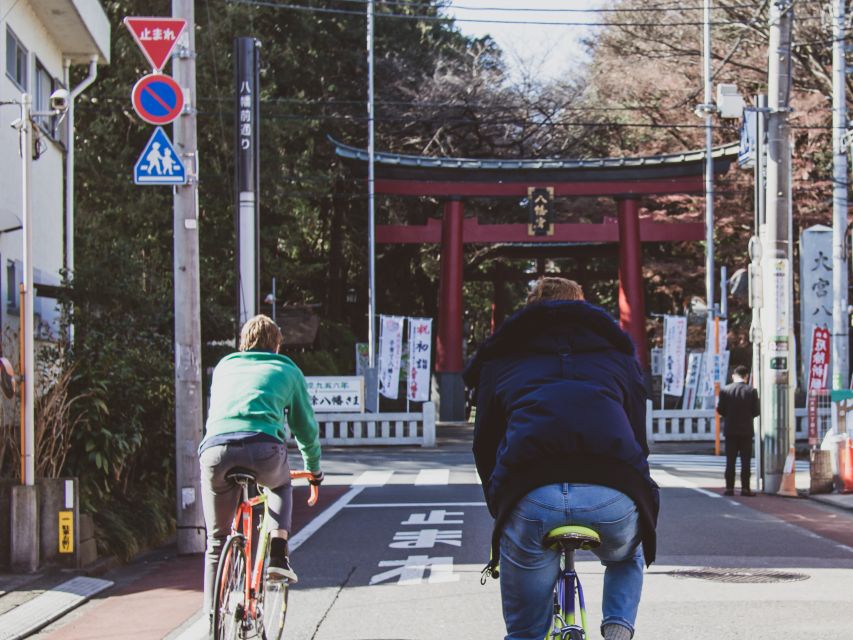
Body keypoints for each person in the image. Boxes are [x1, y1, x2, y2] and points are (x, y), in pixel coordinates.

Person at [464, 277, 659, 640]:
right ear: (583, 306)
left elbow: (485, 445)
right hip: (613, 489)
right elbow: (637, 438)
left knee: (525, 632)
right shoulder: (617, 357)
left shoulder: (503, 358)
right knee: (627, 553)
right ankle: (618, 626)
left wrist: (502, 503)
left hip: (532, 492)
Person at [199, 314, 323, 618]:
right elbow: (304, 428)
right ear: (277, 344)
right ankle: (278, 556)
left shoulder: (225, 365)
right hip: (263, 448)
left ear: (243, 343)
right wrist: (314, 472)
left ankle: (212, 615)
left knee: (217, 539)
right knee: (280, 484)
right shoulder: (287, 369)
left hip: (216, 449)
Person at [716, 364, 760, 497]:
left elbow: (720, 410)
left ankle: (729, 488)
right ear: (746, 377)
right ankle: (745, 488)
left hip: (730, 430)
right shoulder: (751, 391)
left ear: (733, 376)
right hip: (746, 431)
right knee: (745, 461)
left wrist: (729, 416)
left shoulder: (725, 390)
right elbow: (756, 411)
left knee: (730, 460)